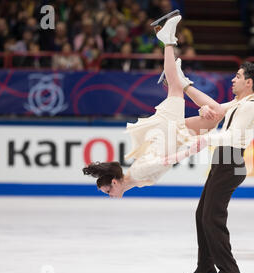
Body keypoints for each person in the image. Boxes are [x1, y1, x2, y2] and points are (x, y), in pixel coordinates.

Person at [83, 11, 214, 197]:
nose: (109, 195)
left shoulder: (137, 173)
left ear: (114, 182)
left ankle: (167, 40)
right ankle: (174, 71)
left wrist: (190, 151)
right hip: (172, 136)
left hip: (167, 129)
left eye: (107, 191)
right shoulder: (133, 180)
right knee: (212, 120)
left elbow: (167, 161)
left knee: (176, 89)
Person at [170, 58, 254, 273]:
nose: (233, 79)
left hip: (231, 163)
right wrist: (184, 84)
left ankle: (230, 272)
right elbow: (215, 109)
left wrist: (205, 139)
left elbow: (232, 136)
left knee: (212, 217)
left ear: (249, 83)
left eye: (238, 76)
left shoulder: (249, 107)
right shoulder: (238, 103)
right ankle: (205, 268)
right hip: (223, 162)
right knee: (202, 214)